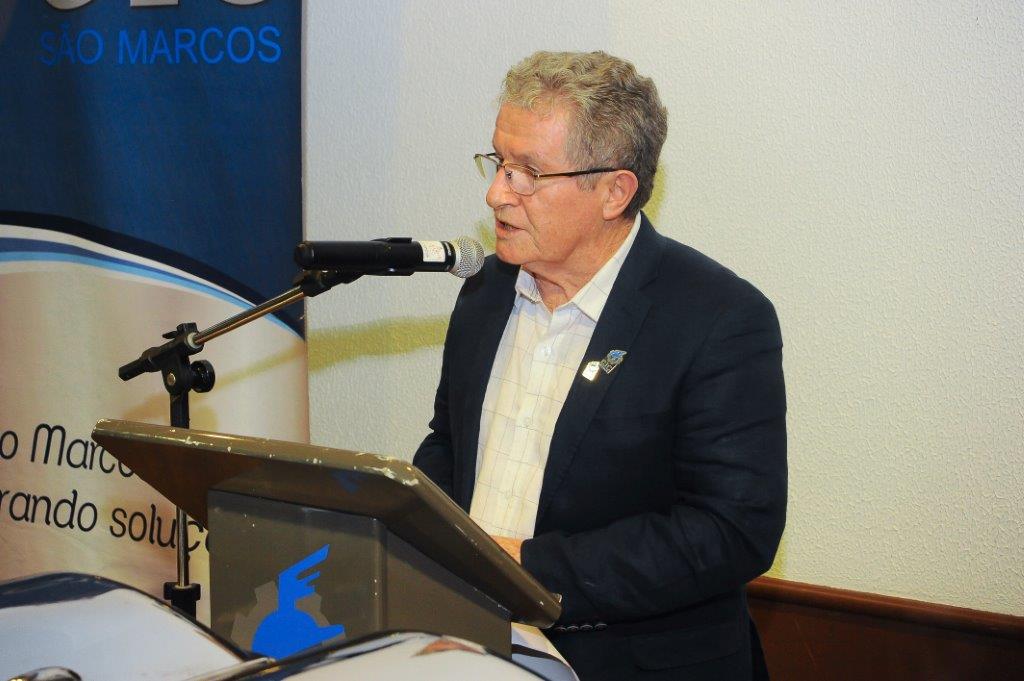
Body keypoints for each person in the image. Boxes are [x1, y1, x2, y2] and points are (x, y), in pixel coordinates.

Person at [413, 50, 786, 680]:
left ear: (615, 190)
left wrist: (524, 570)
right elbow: (450, 446)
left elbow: (730, 528)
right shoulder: (485, 292)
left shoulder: (718, 318)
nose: (497, 192)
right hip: (472, 652)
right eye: (499, 163)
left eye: (528, 171)